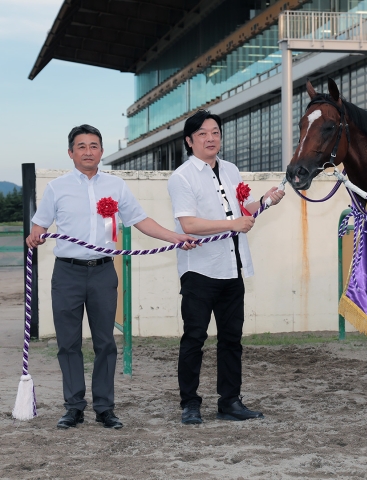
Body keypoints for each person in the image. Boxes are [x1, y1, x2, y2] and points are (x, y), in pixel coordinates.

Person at [26, 124, 196, 430]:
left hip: (103, 272)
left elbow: (141, 221)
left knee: (105, 343)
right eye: (81, 146)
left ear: (101, 152)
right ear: (71, 153)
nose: (88, 151)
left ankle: (105, 408)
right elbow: (39, 226)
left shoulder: (116, 187)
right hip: (67, 273)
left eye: (93, 146)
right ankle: (73, 407)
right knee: (68, 343)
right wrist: (35, 236)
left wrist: (176, 237)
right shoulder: (56, 188)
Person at [168, 109, 285, 424]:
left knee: (232, 339)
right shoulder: (181, 177)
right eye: (203, 133)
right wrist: (233, 223)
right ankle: (190, 404)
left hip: (233, 269)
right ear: (189, 140)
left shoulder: (231, 170)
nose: (210, 138)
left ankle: (230, 402)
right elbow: (189, 223)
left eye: (215, 132)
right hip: (200, 270)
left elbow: (240, 209)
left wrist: (265, 201)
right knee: (194, 338)